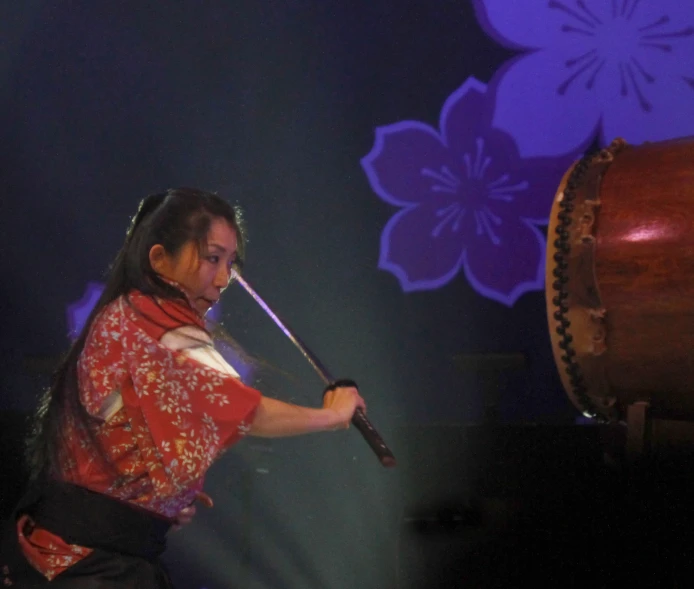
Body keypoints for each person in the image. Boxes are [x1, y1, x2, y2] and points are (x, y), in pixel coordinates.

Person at [0, 188, 365, 587]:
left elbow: (122, 443)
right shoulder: (161, 328)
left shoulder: (127, 314)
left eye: (230, 263)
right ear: (160, 259)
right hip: (87, 564)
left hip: (74, 552)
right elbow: (242, 408)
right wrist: (332, 414)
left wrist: (159, 504)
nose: (225, 279)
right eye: (212, 259)